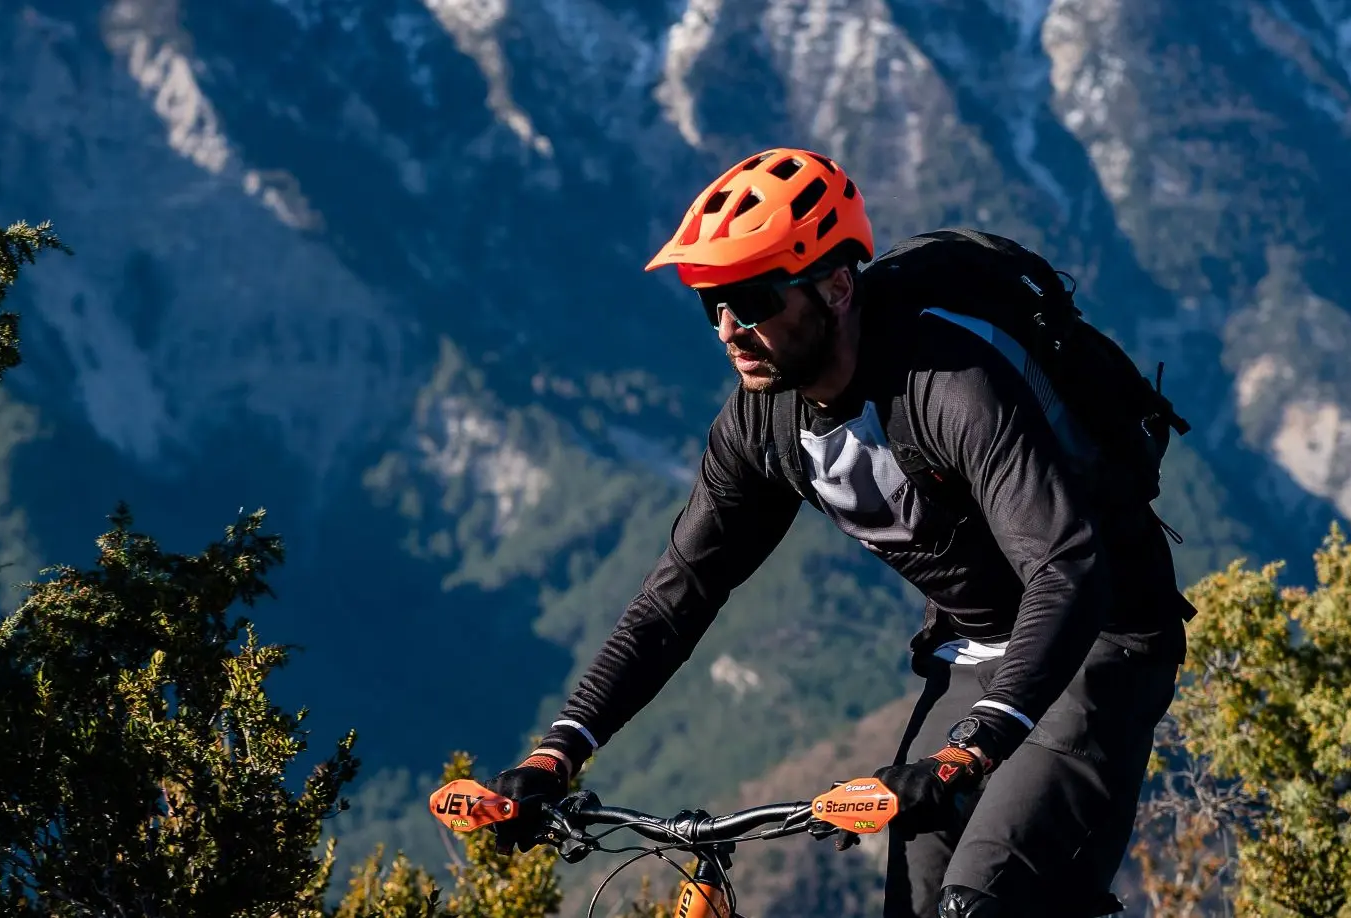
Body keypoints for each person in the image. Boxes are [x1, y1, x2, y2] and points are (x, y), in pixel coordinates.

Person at [482, 148, 1195, 918]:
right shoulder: (762, 420)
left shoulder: (950, 386)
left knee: (976, 905)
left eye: (752, 298)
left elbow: (1067, 571)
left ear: (837, 286)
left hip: (1100, 638)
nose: (727, 329)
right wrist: (559, 751)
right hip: (976, 650)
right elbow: (676, 596)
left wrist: (970, 750)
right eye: (709, 303)